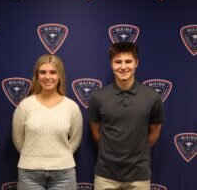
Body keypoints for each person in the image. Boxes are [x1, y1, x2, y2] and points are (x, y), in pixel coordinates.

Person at [88, 42, 164, 190]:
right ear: (111, 64)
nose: (123, 67)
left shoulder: (152, 97)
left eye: (128, 61)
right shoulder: (98, 97)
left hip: (139, 176)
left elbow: (154, 133)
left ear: (137, 63)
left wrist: (137, 151)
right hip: (105, 177)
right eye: (118, 62)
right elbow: (96, 133)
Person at [12, 54, 83, 190]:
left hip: (64, 174)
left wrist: (60, 158)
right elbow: (18, 140)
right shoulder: (24, 106)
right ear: (37, 76)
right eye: (43, 72)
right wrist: (33, 158)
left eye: (53, 72)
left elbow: (75, 140)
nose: (47, 77)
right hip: (29, 175)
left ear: (60, 76)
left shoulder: (71, 107)